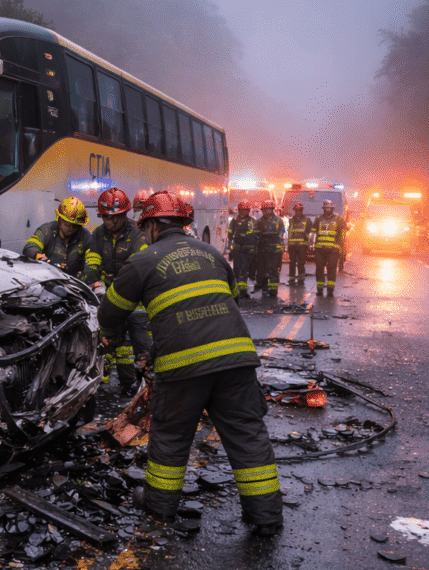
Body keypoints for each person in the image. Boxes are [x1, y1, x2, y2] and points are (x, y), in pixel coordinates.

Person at [98, 190, 283, 536]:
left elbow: (111, 309)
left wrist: (108, 334)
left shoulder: (143, 260)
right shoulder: (212, 253)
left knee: (171, 435)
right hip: (236, 361)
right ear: (183, 223)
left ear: (152, 226)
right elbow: (229, 297)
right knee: (248, 435)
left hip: (184, 368)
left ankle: (159, 509)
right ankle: (267, 516)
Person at [83, 187, 151, 393]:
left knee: (143, 345)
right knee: (111, 342)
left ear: (125, 214)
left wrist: (124, 288)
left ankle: (148, 388)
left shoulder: (137, 234)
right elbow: (92, 259)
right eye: (107, 218)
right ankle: (116, 384)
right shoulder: (98, 235)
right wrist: (93, 282)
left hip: (136, 300)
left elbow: (140, 265)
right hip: (109, 298)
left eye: (116, 217)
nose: (112, 222)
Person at [23, 196, 92, 278]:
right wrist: (40, 257)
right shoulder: (47, 230)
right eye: (67, 224)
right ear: (59, 219)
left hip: (74, 281)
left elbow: (92, 258)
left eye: (75, 226)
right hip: (49, 278)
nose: (70, 229)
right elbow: (30, 246)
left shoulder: (85, 236)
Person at [313, 199, 347, 296]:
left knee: (331, 269)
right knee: (319, 269)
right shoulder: (318, 218)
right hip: (320, 249)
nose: (328, 210)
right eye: (326, 208)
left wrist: (341, 247)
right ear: (323, 209)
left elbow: (343, 234)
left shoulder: (339, 219)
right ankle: (319, 289)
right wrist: (311, 244)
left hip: (333, 249)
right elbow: (313, 232)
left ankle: (330, 289)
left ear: (332, 208)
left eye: (329, 208)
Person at [254, 200, 286, 297]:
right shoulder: (259, 221)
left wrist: (280, 248)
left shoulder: (279, 220)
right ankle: (264, 288)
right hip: (262, 249)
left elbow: (282, 233)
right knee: (262, 269)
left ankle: (273, 290)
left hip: (274, 250)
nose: (267, 211)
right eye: (265, 209)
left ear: (272, 209)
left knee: (274, 269)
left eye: (269, 209)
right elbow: (255, 235)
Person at [228, 201, 258, 298]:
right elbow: (230, 234)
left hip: (247, 250)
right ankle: (235, 290)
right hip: (237, 250)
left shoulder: (252, 221)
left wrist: (254, 248)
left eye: (245, 210)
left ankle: (243, 291)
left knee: (244, 271)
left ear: (248, 211)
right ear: (239, 210)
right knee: (236, 270)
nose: (243, 212)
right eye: (241, 210)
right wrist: (230, 248)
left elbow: (255, 235)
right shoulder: (234, 220)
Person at [287, 203, 313, 285]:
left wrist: (310, 243)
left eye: (299, 210)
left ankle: (301, 279)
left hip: (302, 245)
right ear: (294, 211)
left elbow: (310, 233)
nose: (297, 212)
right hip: (292, 245)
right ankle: (292, 278)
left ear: (301, 211)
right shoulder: (291, 220)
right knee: (292, 262)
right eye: (296, 210)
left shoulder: (307, 220)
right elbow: (288, 232)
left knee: (301, 262)